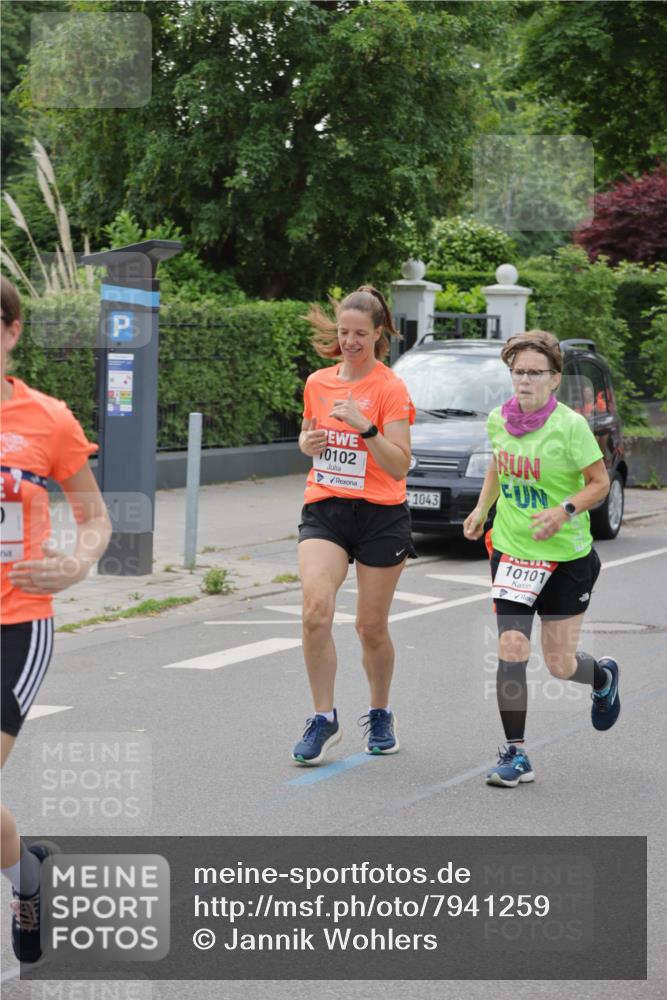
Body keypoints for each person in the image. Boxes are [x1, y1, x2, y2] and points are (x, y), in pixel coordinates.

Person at [1, 276, 112, 960]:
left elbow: (96, 517)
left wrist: (75, 564)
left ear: (11, 332)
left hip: (14, 624)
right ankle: (25, 872)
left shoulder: (48, 419)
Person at [463, 330, 620, 788]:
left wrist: (564, 510)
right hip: (514, 550)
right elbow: (498, 461)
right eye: (518, 372)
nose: (525, 380)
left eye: (535, 373)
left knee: (559, 663)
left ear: (555, 380)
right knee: (512, 649)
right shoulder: (499, 420)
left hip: (567, 557)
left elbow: (599, 483)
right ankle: (516, 754)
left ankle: (603, 678)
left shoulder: (571, 426)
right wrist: (481, 508)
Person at [293, 285, 415, 765]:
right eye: (344, 332)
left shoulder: (390, 388)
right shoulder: (318, 382)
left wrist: (366, 428)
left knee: (370, 628)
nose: (350, 342)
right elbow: (308, 437)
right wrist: (308, 444)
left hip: (381, 515)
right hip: (326, 508)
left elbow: (400, 465)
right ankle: (324, 718)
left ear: (378, 334)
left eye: (360, 334)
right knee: (315, 611)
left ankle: (381, 711)